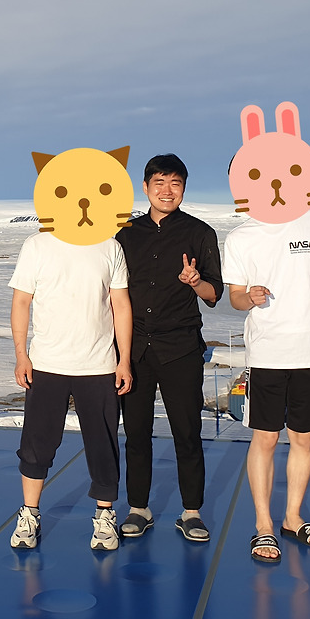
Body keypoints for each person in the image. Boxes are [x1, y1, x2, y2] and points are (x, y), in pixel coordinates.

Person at [223, 207, 310, 563]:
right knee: (265, 438)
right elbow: (235, 296)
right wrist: (248, 297)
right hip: (267, 352)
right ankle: (263, 523)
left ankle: (292, 517)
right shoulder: (241, 236)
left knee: (303, 438)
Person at [8, 201, 134, 552]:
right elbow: (21, 302)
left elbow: (121, 305)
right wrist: (21, 355)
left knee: (103, 444)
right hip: (47, 364)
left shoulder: (110, 246)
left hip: (99, 365)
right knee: (36, 443)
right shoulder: (37, 245)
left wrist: (124, 360)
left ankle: (104, 517)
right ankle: (29, 514)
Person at [114, 154, 223, 543]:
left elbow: (214, 293)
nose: (167, 190)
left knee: (187, 433)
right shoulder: (125, 234)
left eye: (175, 183)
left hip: (181, 349)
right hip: (134, 350)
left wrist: (195, 281)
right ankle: (138, 508)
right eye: (159, 182)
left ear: (184, 189)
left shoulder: (200, 233)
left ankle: (191, 512)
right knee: (136, 433)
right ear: (145, 187)